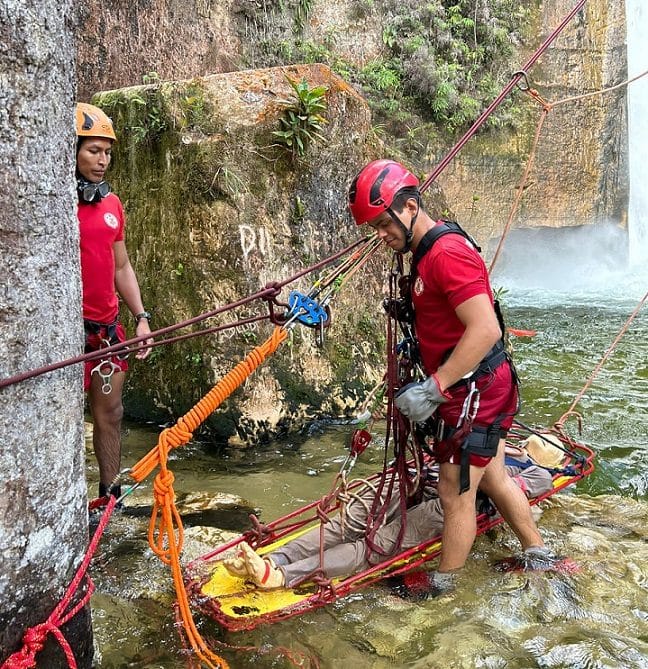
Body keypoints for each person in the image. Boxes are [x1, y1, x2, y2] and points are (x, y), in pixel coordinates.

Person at [346, 159, 555, 593]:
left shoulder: (446, 254)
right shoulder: (425, 252)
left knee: (453, 492)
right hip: (477, 386)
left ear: (410, 206)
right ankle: (540, 555)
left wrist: (434, 386)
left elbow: (485, 328)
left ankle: (443, 585)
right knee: (493, 475)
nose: (381, 236)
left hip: (474, 391)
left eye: (384, 224)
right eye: (375, 228)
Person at [223, 455, 554, 590]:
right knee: (344, 525)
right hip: (411, 479)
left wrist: (490, 478)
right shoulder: (495, 434)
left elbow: (536, 481)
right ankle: (277, 558)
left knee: (373, 546)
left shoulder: (524, 468)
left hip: (445, 504)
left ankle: (280, 575)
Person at [76, 102, 153, 501]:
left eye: (107, 152)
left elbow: (121, 266)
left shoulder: (112, 205)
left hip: (106, 331)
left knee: (111, 414)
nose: (102, 160)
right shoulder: (55, 205)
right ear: (72, 151)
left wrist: (141, 317)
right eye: (93, 150)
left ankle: (110, 496)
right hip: (68, 335)